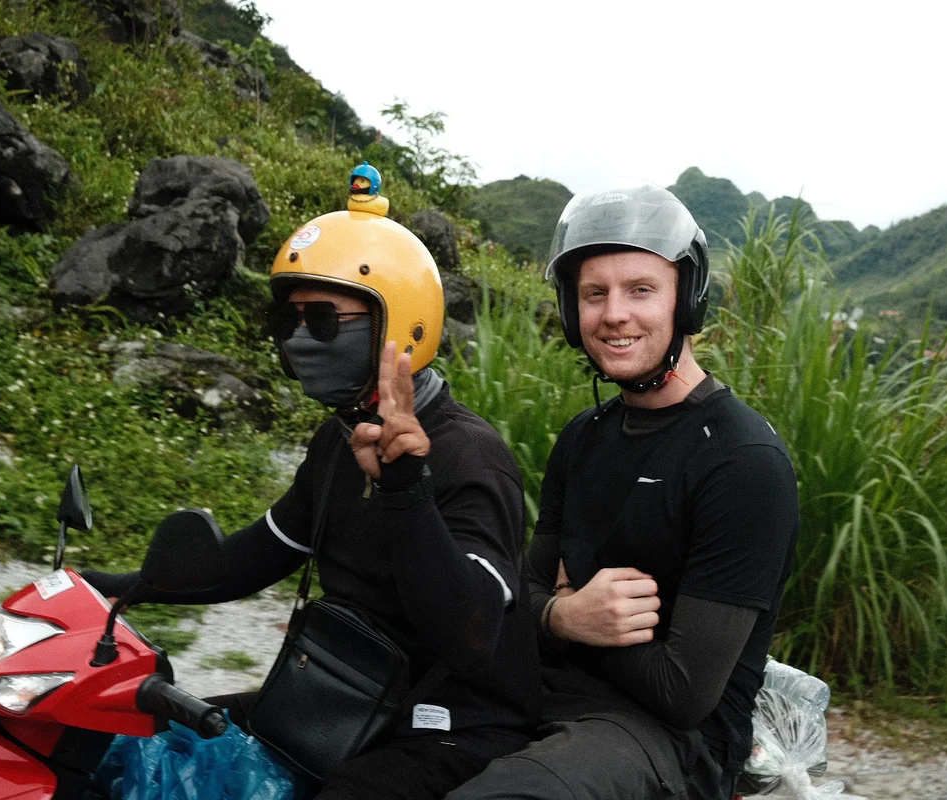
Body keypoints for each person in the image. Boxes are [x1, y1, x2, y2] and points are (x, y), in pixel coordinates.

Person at [84, 165, 539, 800]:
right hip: (344, 691)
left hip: (451, 722)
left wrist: (407, 486)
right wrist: (101, 591)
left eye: (323, 321)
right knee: (146, 741)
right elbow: (256, 555)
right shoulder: (338, 438)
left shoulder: (469, 456)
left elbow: (468, 635)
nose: (301, 340)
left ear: (399, 325)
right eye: (289, 321)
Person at [447, 183, 800, 800]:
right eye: (593, 294)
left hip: (672, 744)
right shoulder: (584, 437)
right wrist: (564, 614)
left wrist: (563, 620)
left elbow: (683, 690)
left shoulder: (742, 461)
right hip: (549, 694)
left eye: (641, 289)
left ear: (686, 301)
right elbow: (521, 601)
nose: (614, 314)